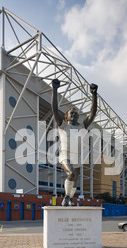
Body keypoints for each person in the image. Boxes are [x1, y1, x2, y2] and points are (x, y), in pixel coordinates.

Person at [51, 78, 98, 206]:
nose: (74, 114)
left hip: (77, 157)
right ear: (66, 116)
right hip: (65, 155)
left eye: (76, 113)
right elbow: (55, 110)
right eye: (71, 113)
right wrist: (55, 90)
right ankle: (66, 197)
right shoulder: (63, 125)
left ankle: (70, 198)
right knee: (71, 173)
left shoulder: (82, 126)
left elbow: (93, 114)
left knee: (75, 181)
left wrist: (94, 95)